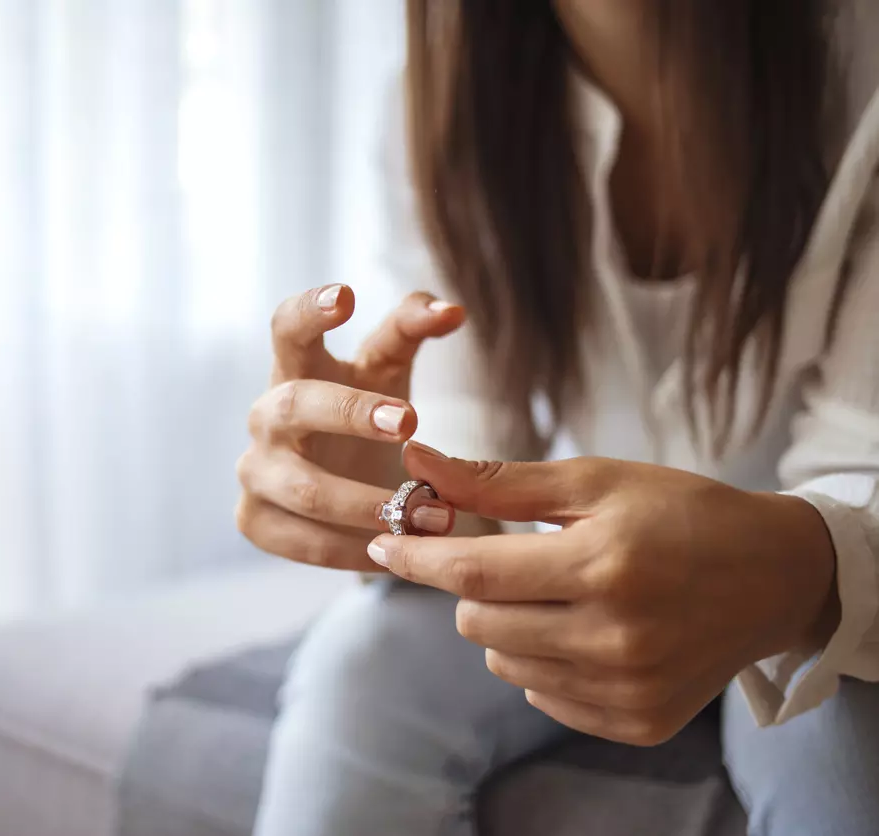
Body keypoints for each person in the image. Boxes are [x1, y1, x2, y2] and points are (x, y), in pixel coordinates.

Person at [235, 1, 879, 834]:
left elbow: (862, 464)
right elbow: (475, 468)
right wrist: (387, 491)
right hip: (598, 564)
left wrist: (807, 573)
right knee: (359, 665)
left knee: (842, 752)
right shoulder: (442, 106)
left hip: (813, 575)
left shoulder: (858, 70)